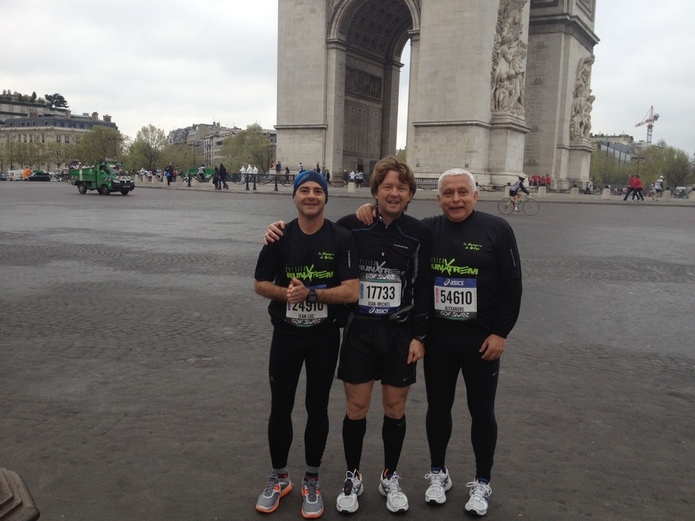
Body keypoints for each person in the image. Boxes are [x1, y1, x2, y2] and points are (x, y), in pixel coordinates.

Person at [265, 156, 431, 514]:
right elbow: (315, 225)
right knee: (356, 408)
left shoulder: (421, 233)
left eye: (401, 187)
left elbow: (425, 287)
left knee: (394, 407)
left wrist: (420, 336)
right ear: (374, 191)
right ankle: (352, 475)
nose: (394, 192)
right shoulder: (351, 226)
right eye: (386, 186)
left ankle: (389, 475)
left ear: (411, 194)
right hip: (359, 332)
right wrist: (276, 230)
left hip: (399, 333)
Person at [354, 168, 522, 517]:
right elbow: (392, 219)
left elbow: (513, 285)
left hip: (481, 341)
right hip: (441, 340)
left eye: (463, 192)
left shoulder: (498, 229)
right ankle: (437, 472)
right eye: (448, 193)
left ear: (476, 196)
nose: (456, 199)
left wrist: (500, 333)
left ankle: (482, 480)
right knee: (438, 408)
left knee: (482, 412)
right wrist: (367, 209)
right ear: (438, 198)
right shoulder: (427, 228)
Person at [253, 171, 360, 518]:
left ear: (326, 198)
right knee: (280, 407)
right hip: (285, 336)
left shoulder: (341, 238)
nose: (311, 195)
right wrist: (288, 294)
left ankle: (311, 480)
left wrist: (311, 293)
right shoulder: (278, 236)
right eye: (304, 190)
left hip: (323, 337)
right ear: (294, 197)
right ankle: (279, 477)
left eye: (317, 190)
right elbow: (259, 284)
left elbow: (352, 291)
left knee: (317, 408)